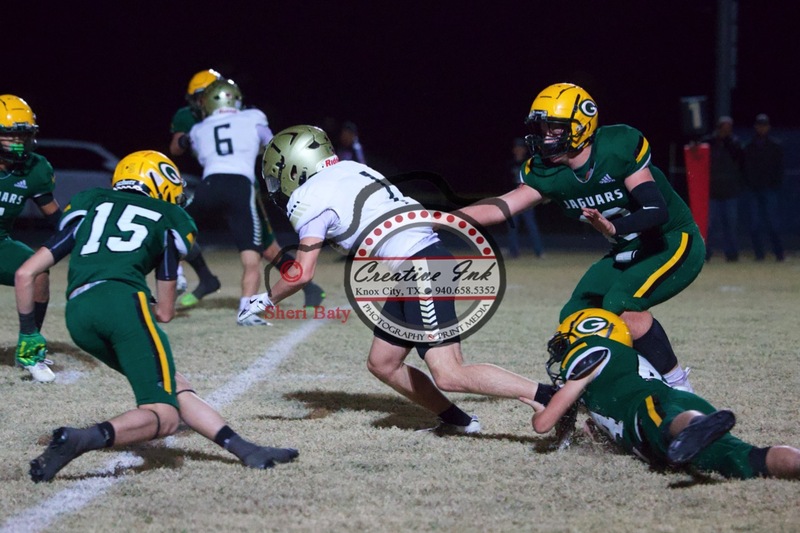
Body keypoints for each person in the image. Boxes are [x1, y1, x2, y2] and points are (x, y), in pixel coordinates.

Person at [239, 125, 558, 434]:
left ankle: (549, 396)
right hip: (418, 263)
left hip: (421, 266)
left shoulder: (308, 196)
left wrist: (265, 301)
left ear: (294, 167)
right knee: (383, 362)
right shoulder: (352, 168)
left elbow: (302, 272)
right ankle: (459, 421)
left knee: (449, 373)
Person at [15, 150, 298, 483]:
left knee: (174, 386)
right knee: (164, 417)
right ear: (160, 183)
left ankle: (245, 449)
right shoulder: (166, 216)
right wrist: (144, 302)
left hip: (79, 315)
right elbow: (164, 312)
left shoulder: (90, 204)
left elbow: (24, 274)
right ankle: (80, 440)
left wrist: (29, 333)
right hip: (122, 304)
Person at [456, 83, 704, 391]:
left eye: (554, 129)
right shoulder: (547, 172)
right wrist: (444, 219)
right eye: (542, 128)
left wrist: (615, 229)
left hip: (672, 242)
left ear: (581, 127)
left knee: (621, 302)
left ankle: (679, 386)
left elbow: (656, 210)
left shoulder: (617, 148)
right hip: (628, 250)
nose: (545, 136)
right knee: (574, 315)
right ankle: (628, 382)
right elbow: (502, 207)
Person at [522, 308, 800, 480]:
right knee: (750, 459)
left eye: (564, 345)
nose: (561, 357)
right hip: (663, 422)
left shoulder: (591, 350)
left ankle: (695, 426)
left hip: (657, 408)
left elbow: (543, 424)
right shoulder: (611, 375)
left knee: (669, 422)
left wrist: (537, 409)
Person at [172, 73, 326, 313]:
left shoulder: (219, 120)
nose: (199, 103)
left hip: (240, 186)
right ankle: (206, 279)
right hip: (226, 182)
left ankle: (307, 286)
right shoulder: (191, 117)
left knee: (266, 247)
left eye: (202, 97)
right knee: (261, 246)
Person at [1, 94, 62, 382]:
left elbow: (55, 217)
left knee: (37, 270)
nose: (19, 143)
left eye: (24, 136)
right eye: (11, 136)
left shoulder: (35, 168)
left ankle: (30, 347)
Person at [742, 114, 785, 262]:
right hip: (753, 190)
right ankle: (759, 255)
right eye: (760, 125)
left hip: (769, 189)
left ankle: (779, 254)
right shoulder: (749, 146)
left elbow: (779, 169)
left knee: (773, 224)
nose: (762, 128)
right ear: (756, 127)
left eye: (764, 125)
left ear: (768, 127)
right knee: (755, 225)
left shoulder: (775, 146)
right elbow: (745, 168)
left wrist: (774, 184)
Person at [702, 116, 743, 262]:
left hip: (730, 191)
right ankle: (705, 253)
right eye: (723, 128)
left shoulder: (734, 143)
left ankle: (731, 254)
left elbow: (739, 159)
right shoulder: (709, 142)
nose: (726, 132)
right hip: (712, 191)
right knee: (709, 226)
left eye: (728, 129)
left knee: (730, 226)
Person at [505, 138, 544, 258]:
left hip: (526, 200)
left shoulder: (529, 163)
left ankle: (539, 252)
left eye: (521, 147)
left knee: (531, 226)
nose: (519, 150)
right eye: (517, 147)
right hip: (512, 200)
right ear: (513, 150)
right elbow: (505, 182)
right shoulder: (510, 164)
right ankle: (513, 252)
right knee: (512, 227)